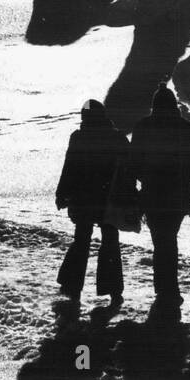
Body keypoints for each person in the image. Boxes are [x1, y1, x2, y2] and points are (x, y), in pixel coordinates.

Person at [129, 83, 190, 311]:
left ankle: (165, 290)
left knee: (161, 241)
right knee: (168, 239)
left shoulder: (144, 127)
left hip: (152, 195)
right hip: (178, 195)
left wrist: (134, 188)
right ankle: (168, 290)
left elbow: (133, 165)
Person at [55, 99, 129, 306]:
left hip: (83, 198)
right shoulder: (118, 137)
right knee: (110, 241)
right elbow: (130, 166)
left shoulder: (79, 137)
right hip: (109, 198)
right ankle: (113, 289)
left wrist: (62, 194)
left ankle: (72, 284)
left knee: (81, 241)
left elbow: (69, 167)